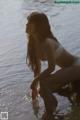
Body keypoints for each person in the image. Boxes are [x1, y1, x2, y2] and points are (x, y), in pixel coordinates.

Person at [26, 12, 80, 119]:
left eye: (29, 22)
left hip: (77, 66)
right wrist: (35, 89)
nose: (26, 25)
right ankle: (53, 107)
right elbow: (37, 67)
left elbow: (51, 68)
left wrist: (35, 80)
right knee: (42, 88)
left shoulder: (47, 42)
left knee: (43, 81)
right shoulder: (32, 44)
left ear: (38, 26)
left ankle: (50, 112)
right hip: (68, 70)